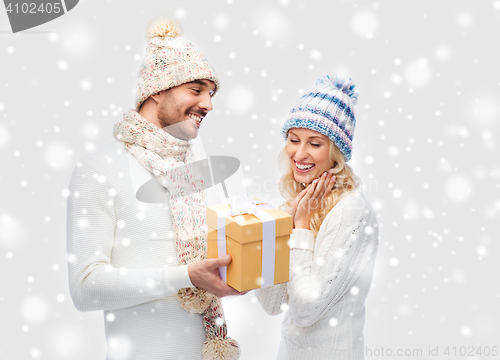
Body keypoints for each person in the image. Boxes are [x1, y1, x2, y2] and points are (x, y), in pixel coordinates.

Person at [67, 16, 242, 360]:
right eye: (196, 90)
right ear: (157, 90)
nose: (208, 104)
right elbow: (85, 289)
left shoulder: (197, 169)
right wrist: (184, 277)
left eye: (211, 93)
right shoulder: (100, 169)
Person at [255, 75, 379, 360]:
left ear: (335, 153)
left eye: (315, 143)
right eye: (293, 140)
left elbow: (304, 310)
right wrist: (271, 231)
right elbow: (273, 304)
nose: (299, 153)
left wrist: (300, 229)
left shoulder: (352, 212)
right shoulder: (299, 204)